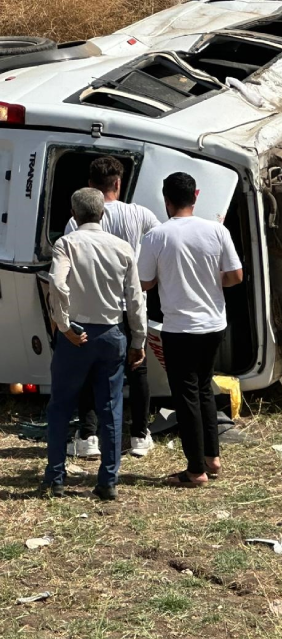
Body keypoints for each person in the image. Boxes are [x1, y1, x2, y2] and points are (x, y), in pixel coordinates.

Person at [138, 172, 243, 488]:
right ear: (195, 195)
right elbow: (236, 275)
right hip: (213, 324)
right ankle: (212, 457)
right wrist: (213, 283)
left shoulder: (157, 236)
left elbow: (145, 282)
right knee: (203, 388)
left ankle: (195, 469)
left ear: (165, 199)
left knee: (185, 396)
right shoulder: (216, 230)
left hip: (180, 328)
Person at [42, 188, 147, 500]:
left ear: (74, 215)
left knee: (60, 405)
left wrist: (63, 325)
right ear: (103, 213)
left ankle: (56, 477)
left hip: (77, 334)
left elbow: (57, 283)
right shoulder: (122, 247)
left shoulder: (67, 244)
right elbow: (135, 299)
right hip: (112, 333)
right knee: (110, 408)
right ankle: (108, 481)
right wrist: (138, 339)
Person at [65, 156, 161, 460]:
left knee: (91, 372)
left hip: (92, 308)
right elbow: (162, 244)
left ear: (90, 186)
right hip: (131, 304)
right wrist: (149, 279)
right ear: (118, 183)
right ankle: (139, 436)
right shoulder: (140, 214)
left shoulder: (77, 219)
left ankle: (89, 437)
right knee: (137, 369)